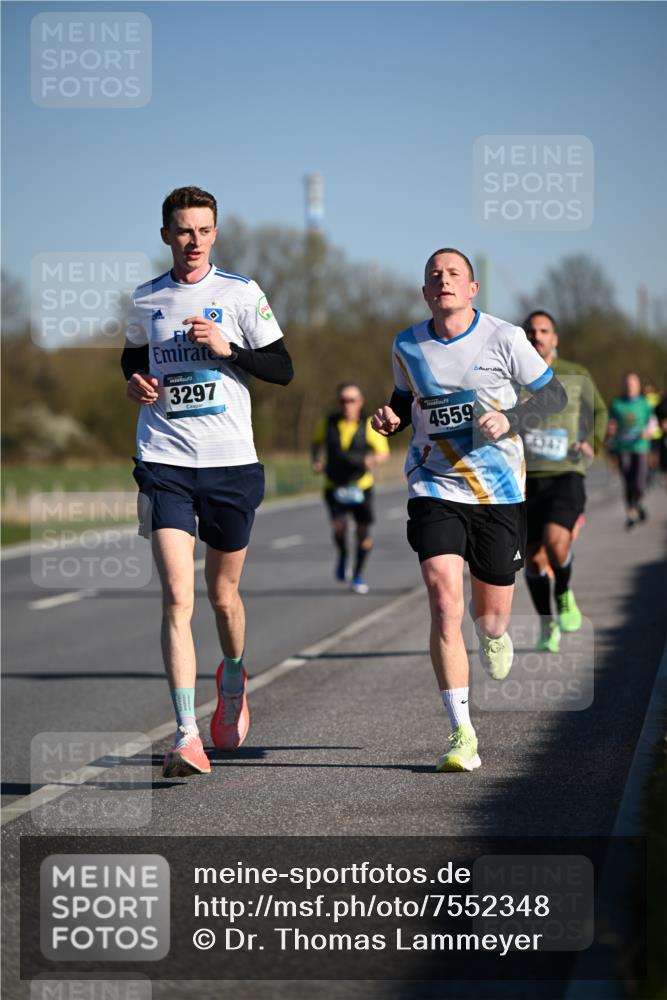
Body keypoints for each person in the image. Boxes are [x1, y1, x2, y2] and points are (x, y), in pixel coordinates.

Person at [121, 186, 293, 778]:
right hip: (164, 460)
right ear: (166, 234)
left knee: (222, 596)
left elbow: (283, 369)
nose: (192, 241)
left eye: (203, 230)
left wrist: (229, 348)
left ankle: (234, 673)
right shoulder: (146, 298)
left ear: (214, 234)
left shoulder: (241, 294)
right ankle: (186, 736)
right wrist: (136, 383)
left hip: (229, 464)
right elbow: (132, 358)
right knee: (177, 596)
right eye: (182, 230)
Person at [372, 249, 566, 773]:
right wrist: (391, 418)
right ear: (425, 291)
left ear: (472, 288)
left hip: (499, 491)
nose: (444, 281)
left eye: (454, 274)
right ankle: (462, 731)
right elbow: (403, 398)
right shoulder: (407, 343)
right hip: (434, 484)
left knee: (493, 613)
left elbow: (553, 396)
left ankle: (494, 635)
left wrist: (513, 419)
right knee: (442, 600)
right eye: (435, 275)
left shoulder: (504, 337)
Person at [522, 311, 608, 653]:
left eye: (544, 331)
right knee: (532, 558)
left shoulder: (576, 373)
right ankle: (547, 622)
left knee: (556, 542)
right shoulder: (511, 376)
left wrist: (593, 443)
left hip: (566, 473)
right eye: (531, 331)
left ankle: (564, 593)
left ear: (554, 338)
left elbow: (599, 411)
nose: (537, 336)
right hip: (524, 478)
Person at [311, 383, 389, 594]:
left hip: (360, 485)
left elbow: (383, 452)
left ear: (360, 402)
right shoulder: (328, 423)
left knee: (363, 533)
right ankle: (344, 554)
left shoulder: (368, 425)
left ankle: (358, 574)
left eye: (352, 400)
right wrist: (316, 460)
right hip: (334, 484)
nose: (348, 405)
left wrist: (372, 459)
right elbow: (316, 443)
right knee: (339, 528)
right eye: (344, 400)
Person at [606, 372, 654, 528]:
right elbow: (610, 423)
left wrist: (648, 431)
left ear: (638, 386)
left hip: (640, 447)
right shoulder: (617, 404)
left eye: (633, 384)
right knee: (627, 480)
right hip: (622, 447)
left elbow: (652, 423)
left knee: (639, 481)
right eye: (627, 384)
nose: (630, 387)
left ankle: (638, 501)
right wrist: (610, 430)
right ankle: (631, 512)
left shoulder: (644, 404)